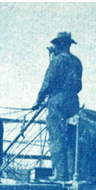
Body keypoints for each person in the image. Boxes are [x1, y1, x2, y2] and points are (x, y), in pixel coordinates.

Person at [32, 32, 83, 179]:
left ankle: (60, 175)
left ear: (60, 45)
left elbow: (47, 82)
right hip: (73, 101)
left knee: (57, 137)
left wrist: (38, 101)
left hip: (58, 101)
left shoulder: (57, 61)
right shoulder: (77, 62)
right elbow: (79, 86)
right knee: (73, 139)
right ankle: (73, 173)